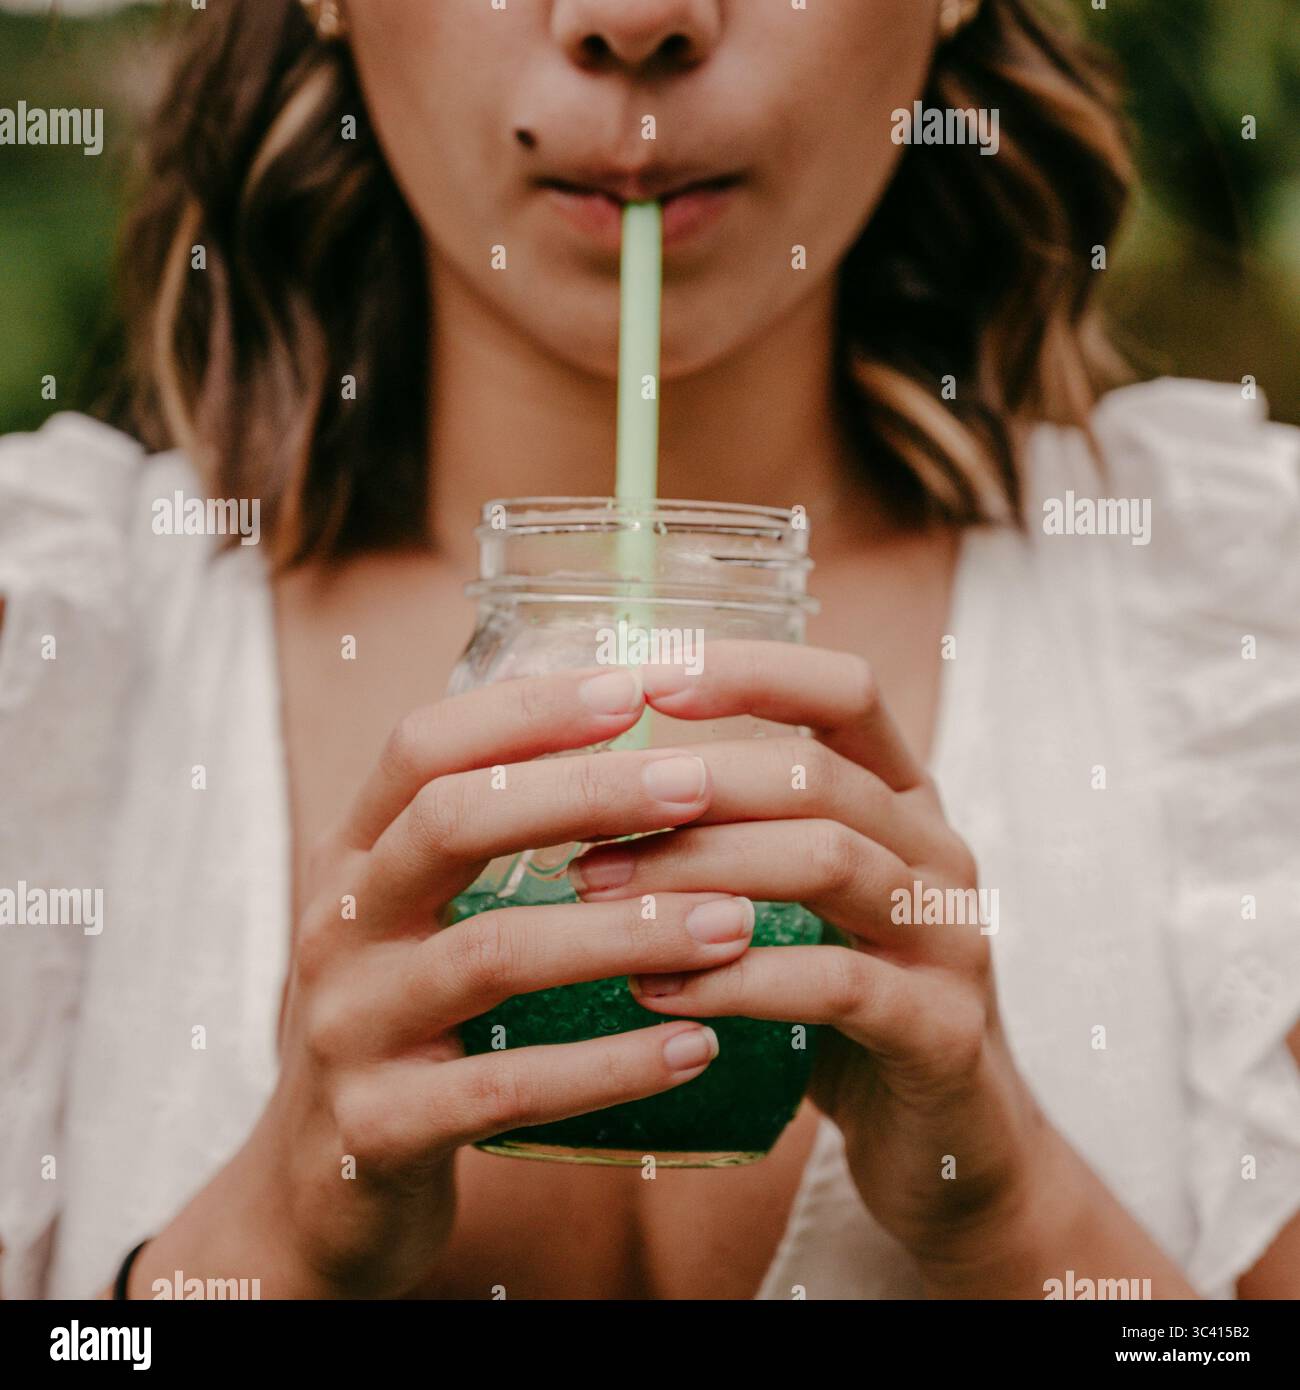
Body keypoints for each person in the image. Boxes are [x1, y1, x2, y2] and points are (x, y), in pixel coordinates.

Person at [1, 0, 1297, 1301]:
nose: (633, 19)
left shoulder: (1248, 631)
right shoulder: (41, 651)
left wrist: (1021, 1214)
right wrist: (260, 1248)